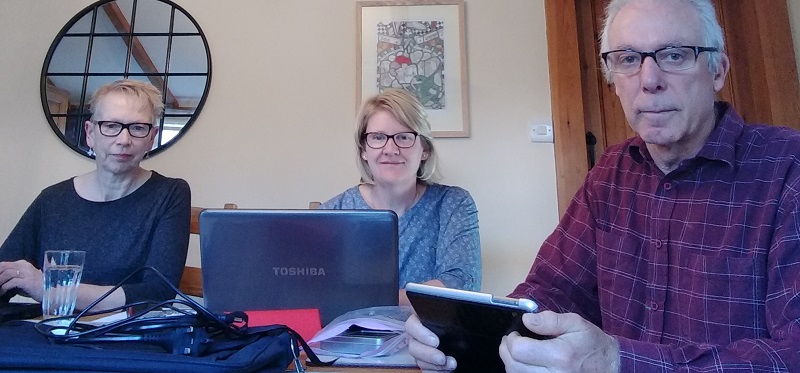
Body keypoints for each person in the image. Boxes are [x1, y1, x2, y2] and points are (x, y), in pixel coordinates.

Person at [406, 0, 800, 371]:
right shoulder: (609, 174)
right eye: (628, 59)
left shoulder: (787, 168)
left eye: (675, 55)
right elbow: (551, 292)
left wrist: (617, 362)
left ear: (717, 71)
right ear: (613, 81)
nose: (649, 80)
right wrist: (461, 334)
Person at [0, 79, 191, 312]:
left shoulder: (170, 194)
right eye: (111, 126)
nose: (124, 140)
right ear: (90, 133)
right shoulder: (51, 200)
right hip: (51, 332)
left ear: (152, 137)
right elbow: (6, 273)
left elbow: (157, 293)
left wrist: (47, 289)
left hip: (121, 340)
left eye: (138, 128)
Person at [321, 89, 481, 305]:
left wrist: (362, 301)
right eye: (377, 137)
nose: (390, 149)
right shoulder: (332, 212)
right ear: (363, 150)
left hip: (431, 336)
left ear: (425, 150)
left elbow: (460, 285)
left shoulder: (453, 204)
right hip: (352, 336)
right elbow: (315, 293)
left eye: (404, 137)